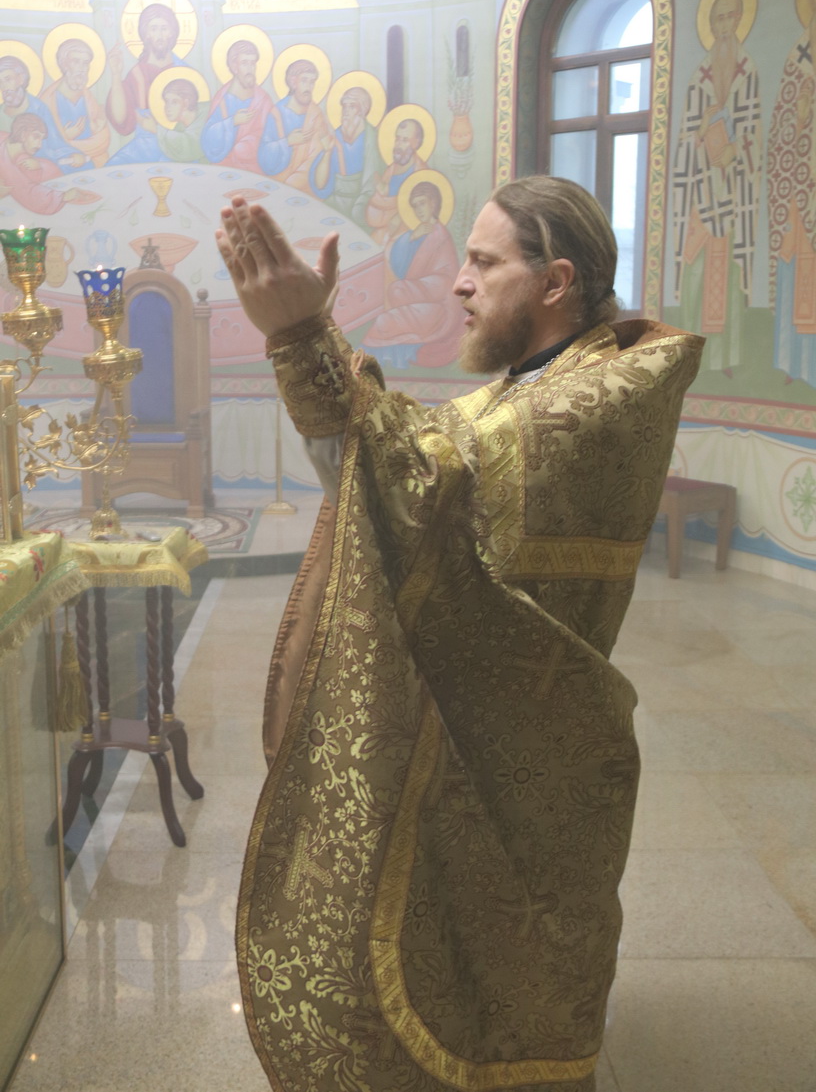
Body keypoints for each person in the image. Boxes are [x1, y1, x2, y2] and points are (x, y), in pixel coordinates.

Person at [217, 176, 703, 1092]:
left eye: (482, 262)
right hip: (479, 713)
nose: (458, 281)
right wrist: (309, 344)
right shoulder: (529, 384)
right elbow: (401, 470)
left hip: (536, 738)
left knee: (520, 957)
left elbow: (417, 487)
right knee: (449, 933)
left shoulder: (599, 396)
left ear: (555, 281)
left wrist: (306, 337)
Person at [673, 0, 762, 373]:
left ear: (740, 21)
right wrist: (701, 134)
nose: (725, 26)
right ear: (710, 24)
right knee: (696, 273)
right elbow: (685, 138)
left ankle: (727, 359)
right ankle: (694, 358)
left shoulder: (747, 73)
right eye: (719, 18)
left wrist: (737, 149)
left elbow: (756, 130)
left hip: (734, 196)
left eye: (731, 17)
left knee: (729, 278)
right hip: (702, 196)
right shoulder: (700, 78)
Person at [769, 0, 816, 385]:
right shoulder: (799, 57)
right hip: (801, 192)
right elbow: (781, 132)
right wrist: (799, 118)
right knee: (798, 272)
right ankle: (795, 366)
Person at [362, 179, 463, 368]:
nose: (419, 210)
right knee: (396, 290)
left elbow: (446, 281)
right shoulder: (419, 233)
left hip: (442, 306)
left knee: (385, 320)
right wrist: (412, 237)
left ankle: (387, 357)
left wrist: (418, 288)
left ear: (433, 202)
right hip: (424, 294)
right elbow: (401, 267)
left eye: (422, 203)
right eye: (415, 206)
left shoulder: (440, 235)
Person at [105, 2, 185, 164]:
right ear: (146, 34)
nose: (159, 35)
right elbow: (120, 120)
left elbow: (194, 125)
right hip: (141, 149)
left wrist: (158, 129)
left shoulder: (184, 73)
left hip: (176, 147)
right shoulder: (137, 74)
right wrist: (115, 74)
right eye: (153, 29)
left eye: (164, 28)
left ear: (172, 32)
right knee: (113, 167)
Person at [201, 39, 280, 173]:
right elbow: (208, 138)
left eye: (252, 63)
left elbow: (271, 137)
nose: (250, 69)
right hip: (223, 168)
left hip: (254, 169)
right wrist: (232, 122)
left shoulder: (263, 99)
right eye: (244, 63)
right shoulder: (222, 99)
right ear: (234, 66)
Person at [259, 57, 333, 190]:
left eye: (312, 82)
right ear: (293, 82)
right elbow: (264, 155)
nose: (309, 87)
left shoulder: (316, 115)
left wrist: (327, 149)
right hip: (277, 183)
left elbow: (320, 154)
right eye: (304, 81)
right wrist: (287, 141)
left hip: (306, 183)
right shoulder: (276, 113)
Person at [308, 84, 379, 218]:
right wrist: (327, 152)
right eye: (344, 106)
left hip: (362, 205)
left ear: (362, 111)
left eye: (352, 106)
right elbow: (320, 184)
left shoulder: (372, 139)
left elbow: (373, 183)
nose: (346, 111)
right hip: (336, 202)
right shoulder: (335, 137)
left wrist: (360, 207)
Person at [41, 37, 110, 170]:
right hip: (63, 164)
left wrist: (65, 141)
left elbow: (103, 138)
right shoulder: (47, 101)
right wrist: (63, 139)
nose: (82, 68)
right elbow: (42, 144)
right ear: (64, 64)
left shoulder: (88, 97)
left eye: (85, 63)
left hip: (92, 161)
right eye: (76, 61)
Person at [0, 113, 89, 213]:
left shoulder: (19, 154)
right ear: (23, 135)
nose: (39, 145)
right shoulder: (6, 161)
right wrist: (63, 196)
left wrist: (37, 168)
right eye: (36, 137)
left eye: (41, 139)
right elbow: (26, 191)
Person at [362, 116, 427, 244]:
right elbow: (381, 198)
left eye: (405, 140)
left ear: (416, 143)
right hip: (383, 228)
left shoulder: (420, 173)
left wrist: (399, 217)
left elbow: (417, 209)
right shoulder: (392, 169)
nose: (398, 145)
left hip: (404, 231)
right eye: (397, 139)